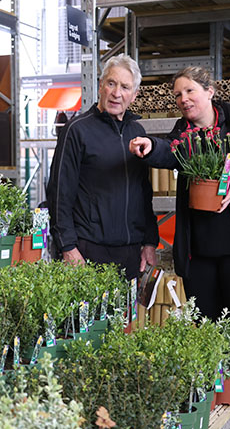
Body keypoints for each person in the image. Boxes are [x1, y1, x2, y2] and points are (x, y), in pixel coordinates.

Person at [129, 66, 230, 325]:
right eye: (178, 95)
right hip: (199, 258)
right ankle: (212, 369)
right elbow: (169, 151)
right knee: (204, 329)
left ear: (210, 92)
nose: (183, 99)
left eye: (190, 91)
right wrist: (150, 146)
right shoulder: (184, 135)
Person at [46, 54, 158, 280]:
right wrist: (67, 247)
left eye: (125, 87)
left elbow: (143, 193)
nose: (117, 93)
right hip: (88, 251)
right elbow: (59, 194)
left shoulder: (137, 134)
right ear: (100, 85)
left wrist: (149, 241)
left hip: (130, 251)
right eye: (111, 83)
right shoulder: (76, 131)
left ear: (134, 96)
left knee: (127, 316)